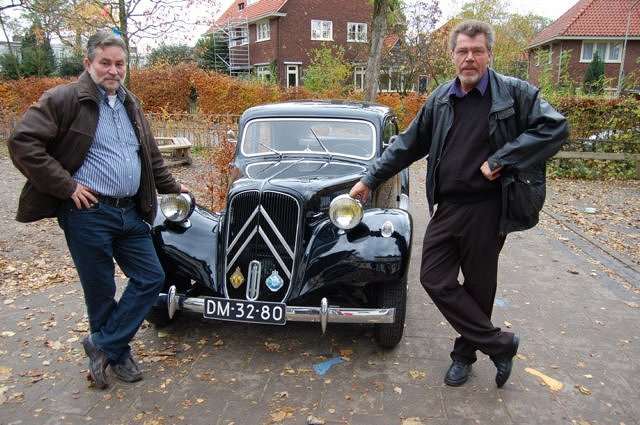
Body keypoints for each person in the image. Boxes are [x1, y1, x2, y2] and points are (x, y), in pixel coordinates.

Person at [350, 20, 568, 388]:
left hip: (488, 208)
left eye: (477, 51)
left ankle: (463, 357)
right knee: (433, 278)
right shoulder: (440, 99)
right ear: (453, 56)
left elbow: (555, 127)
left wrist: (502, 159)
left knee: (480, 288)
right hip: (448, 207)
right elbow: (407, 144)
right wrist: (369, 178)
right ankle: (500, 345)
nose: (470, 58)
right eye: (463, 51)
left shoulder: (513, 94)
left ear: (489, 55)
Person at [8, 30, 188, 390]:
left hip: (130, 211)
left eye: (120, 64)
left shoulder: (130, 103)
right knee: (101, 290)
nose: (113, 70)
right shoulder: (64, 99)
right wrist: (67, 186)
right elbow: (22, 141)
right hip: (88, 213)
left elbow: (149, 154)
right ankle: (118, 356)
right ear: (88, 63)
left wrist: (172, 186)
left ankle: (103, 345)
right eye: (105, 63)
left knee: (151, 277)